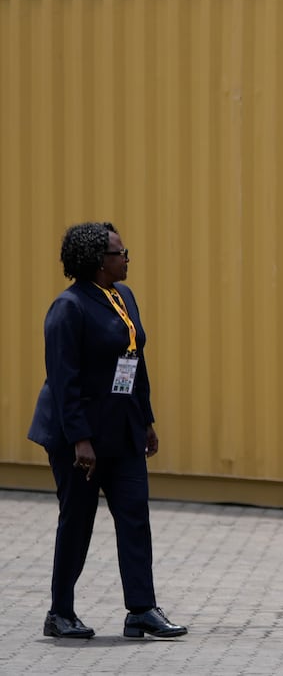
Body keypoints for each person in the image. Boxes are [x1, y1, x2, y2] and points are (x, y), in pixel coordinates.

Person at [28, 221, 187, 642]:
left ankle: (141, 610)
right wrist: (80, 438)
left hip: (122, 430)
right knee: (77, 521)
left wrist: (146, 419)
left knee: (135, 518)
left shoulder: (122, 297)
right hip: (77, 437)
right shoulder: (69, 307)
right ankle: (60, 612)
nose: (127, 257)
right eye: (120, 253)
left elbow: (135, 362)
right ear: (99, 262)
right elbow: (64, 379)